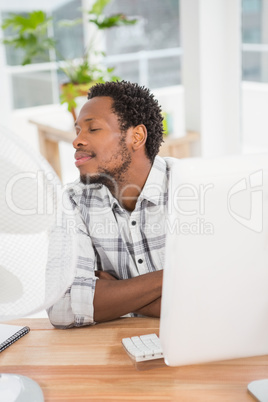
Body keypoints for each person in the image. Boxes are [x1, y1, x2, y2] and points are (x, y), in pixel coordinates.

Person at [48, 80, 179, 328]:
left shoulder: (190, 186)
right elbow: (62, 308)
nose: (77, 141)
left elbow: (224, 292)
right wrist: (171, 278)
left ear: (136, 136)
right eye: (77, 131)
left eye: (93, 129)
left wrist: (115, 290)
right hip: (115, 353)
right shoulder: (74, 201)